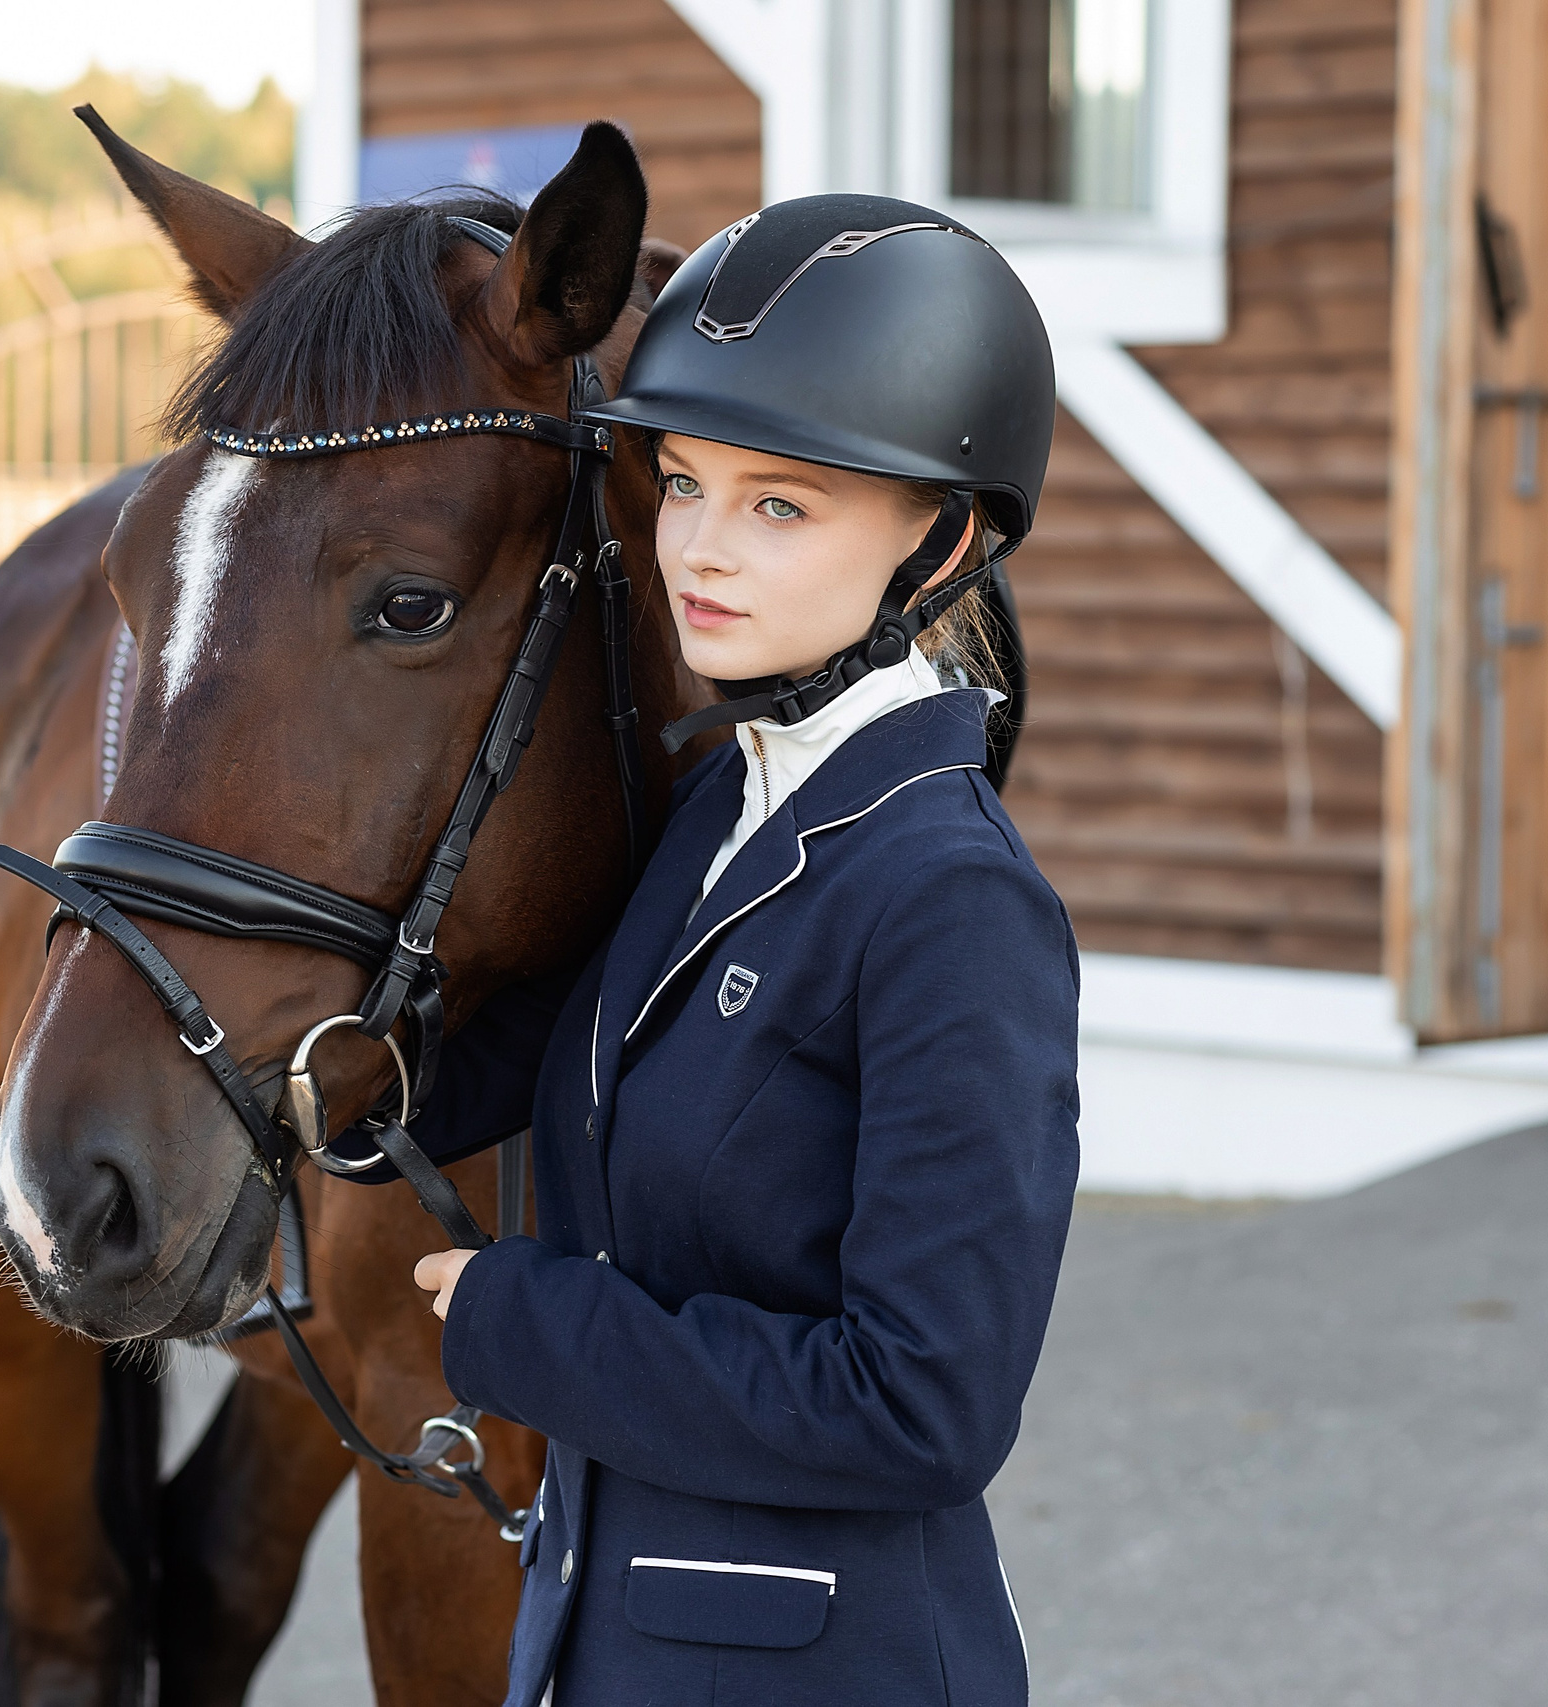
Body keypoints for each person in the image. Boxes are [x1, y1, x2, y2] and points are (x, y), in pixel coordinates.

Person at [408, 193, 1080, 1707]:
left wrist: (530, 1326)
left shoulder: (951, 902)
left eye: (778, 505)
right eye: (687, 485)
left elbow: (924, 1405)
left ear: (943, 537)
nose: (698, 551)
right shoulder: (722, 794)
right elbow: (577, 1055)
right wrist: (315, 1056)